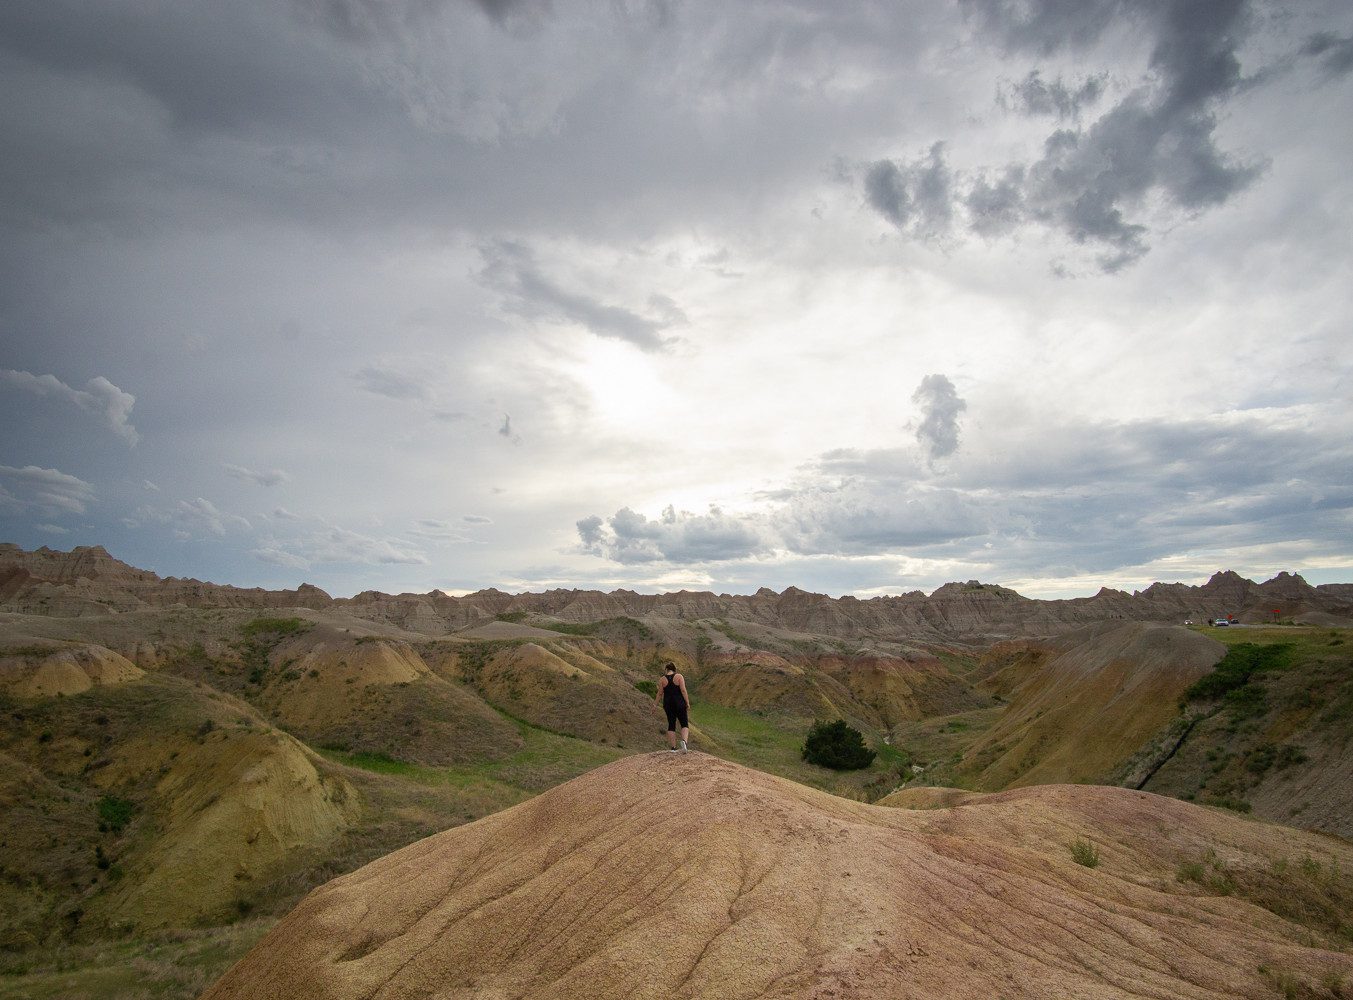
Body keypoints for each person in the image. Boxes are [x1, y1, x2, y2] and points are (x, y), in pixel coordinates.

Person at [655, 662, 690, 753]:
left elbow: (659, 693)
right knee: (684, 723)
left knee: (671, 725)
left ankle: (673, 748)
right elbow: (683, 690)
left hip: (668, 704)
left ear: (666, 669)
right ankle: (684, 743)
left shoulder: (662, 679)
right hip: (679, 703)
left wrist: (655, 705)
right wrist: (687, 702)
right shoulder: (679, 676)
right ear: (674, 669)